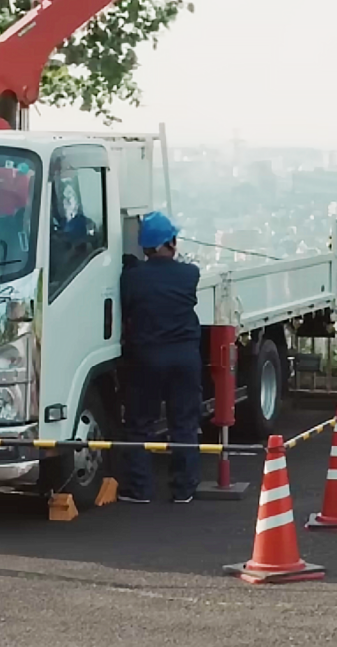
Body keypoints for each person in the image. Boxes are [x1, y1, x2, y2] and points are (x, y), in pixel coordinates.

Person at [118, 212, 203, 503]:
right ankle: (184, 490)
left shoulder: (132, 278)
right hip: (184, 358)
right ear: (170, 242)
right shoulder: (190, 274)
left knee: (140, 423)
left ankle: (139, 489)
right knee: (184, 424)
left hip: (147, 358)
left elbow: (129, 302)